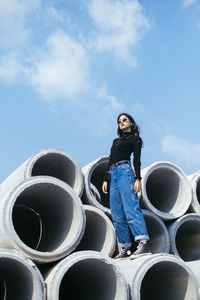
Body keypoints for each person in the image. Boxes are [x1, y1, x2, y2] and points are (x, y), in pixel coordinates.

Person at [102, 113, 151, 260]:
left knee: (131, 208)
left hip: (125, 172)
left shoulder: (135, 139)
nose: (121, 122)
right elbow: (110, 160)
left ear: (131, 122)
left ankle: (143, 242)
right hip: (114, 174)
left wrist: (138, 179)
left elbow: (137, 159)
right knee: (117, 213)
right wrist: (106, 178)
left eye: (124, 120)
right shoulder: (115, 141)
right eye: (119, 121)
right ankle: (125, 247)